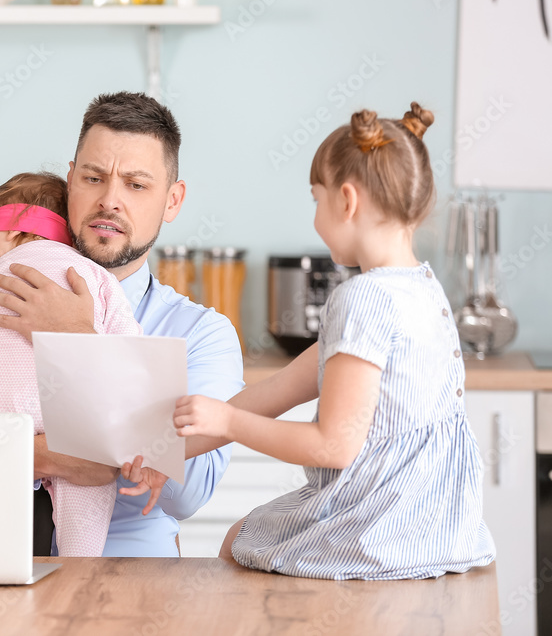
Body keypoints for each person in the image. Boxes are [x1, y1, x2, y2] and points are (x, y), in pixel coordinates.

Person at [123, 103, 496, 579]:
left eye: (316, 199)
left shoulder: (359, 299)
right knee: (243, 534)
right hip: (440, 526)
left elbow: (333, 446)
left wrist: (229, 420)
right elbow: (277, 391)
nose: (316, 216)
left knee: (241, 541)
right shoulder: (424, 290)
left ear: (347, 200)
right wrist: (166, 456)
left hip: (376, 529)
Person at [0, 91, 244, 557]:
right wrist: (51, 457)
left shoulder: (202, 334)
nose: (109, 202)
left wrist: (79, 341)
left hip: (126, 585)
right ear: (71, 176)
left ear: (172, 200)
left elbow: (186, 493)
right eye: (93, 178)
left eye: (136, 185)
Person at [0, 171, 142, 556]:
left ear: (13, 233)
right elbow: (129, 350)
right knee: (85, 511)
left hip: (0, 421)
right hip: (76, 419)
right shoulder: (97, 276)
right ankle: (81, 566)